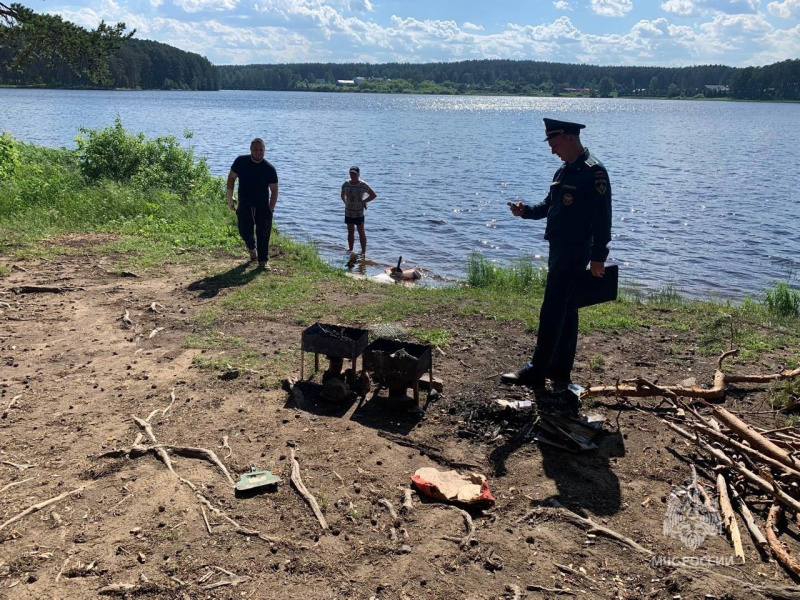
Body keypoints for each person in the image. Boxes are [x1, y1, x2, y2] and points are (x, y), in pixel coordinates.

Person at [502, 118, 612, 398]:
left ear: (569, 138)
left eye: (554, 144)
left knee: (554, 308)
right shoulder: (564, 171)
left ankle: (538, 369)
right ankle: (560, 372)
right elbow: (548, 206)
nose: (552, 150)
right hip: (559, 248)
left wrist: (599, 256)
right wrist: (524, 210)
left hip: (576, 251)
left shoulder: (593, 172)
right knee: (567, 310)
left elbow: (603, 219)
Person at [226, 138, 279, 270]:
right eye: (255, 149)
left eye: (261, 150)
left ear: (264, 150)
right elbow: (231, 178)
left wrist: (270, 210)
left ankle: (263, 261)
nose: (258, 152)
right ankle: (251, 248)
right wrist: (229, 197)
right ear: (251, 149)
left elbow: (274, 191)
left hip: (262, 206)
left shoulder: (269, 169)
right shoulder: (241, 162)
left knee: (263, 233)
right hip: (244, 203)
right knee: (244, 231)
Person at [341, 166, 376, 254]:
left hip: (359, 213)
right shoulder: (346, 184)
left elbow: (373, 195)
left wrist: (364, 201)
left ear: (358, 174)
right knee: (350, 231)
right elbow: (342, 195)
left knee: (361, 231)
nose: (353, 175)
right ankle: (350, 249)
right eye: (351, 173)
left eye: (354, 174)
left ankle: (363, 252)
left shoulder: (363, 185)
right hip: (348, 212)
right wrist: (346, 203)